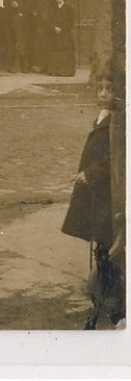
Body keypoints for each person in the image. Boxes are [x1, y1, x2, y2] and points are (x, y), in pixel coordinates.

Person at [61, 64, 125, 328]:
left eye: (109, 89)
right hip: (96, 192)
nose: (103, 93)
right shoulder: (102, 117)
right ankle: (102, 286)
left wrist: (90, 173)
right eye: (100, 88)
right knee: (100, 238)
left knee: (106, 238)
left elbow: (112, 158)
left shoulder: (118, 121)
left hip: (106, 192)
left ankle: (106, 288)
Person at [46, 0, 77, 76]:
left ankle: (66, 71)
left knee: (66, 51)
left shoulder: (69, 8)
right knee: (54, 51)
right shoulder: (52, 8)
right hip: (54, 33)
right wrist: (54, 27)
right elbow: (49, 20)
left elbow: (71, 21)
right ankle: (54, 71)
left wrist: (62, 29)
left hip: (65, 33)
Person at [14, 0, 39, 73]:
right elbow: (15, 7)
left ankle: (31, 64)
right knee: (23, 44)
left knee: (32, 43)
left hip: (33, 23)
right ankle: (24, 65)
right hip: (23, 23)